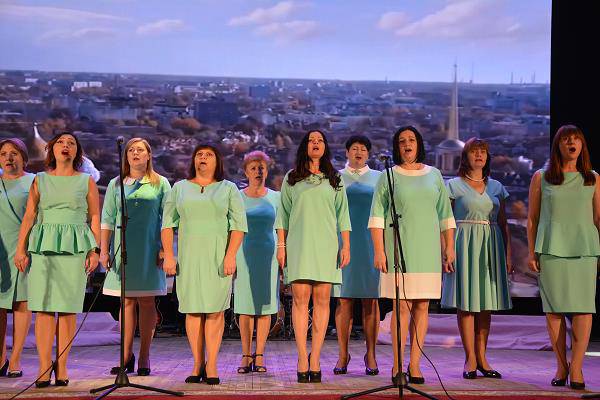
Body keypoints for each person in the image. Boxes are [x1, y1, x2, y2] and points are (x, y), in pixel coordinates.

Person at [369, 126, 455, 385]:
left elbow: (445, 215)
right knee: (402, 307)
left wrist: (449, 247)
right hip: (398, 248)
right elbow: (376, 216)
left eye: (412, 140)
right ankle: (397, 366)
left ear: (419, 144)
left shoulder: (435, 175)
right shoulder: (388, 176)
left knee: (422, 306)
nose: (407, 144)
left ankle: (415, 364)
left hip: (427, 250)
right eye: (402, 141)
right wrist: (379, 250)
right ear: (397, 147)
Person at [14, 132, 100, 387]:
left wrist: (94, 251)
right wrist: (20, 249)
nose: (65, 146)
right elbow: (29, 216)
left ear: (77, 152)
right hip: (43, 246)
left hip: (75, 247)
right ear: (51, 149)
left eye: (71, 143)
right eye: (61, 142)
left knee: (67, 309)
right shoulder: (40, 179)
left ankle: (61, 365)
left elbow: (94, 217)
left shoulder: (86, 181)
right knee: (42, 308)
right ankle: (44, 366)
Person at [162, 144, 247, 385]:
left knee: (214, 310)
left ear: (217, 161)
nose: (203, 158)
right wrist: (169, 255)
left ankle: (212, 364)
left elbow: (238, 226)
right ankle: (197, 363)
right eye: (199, 154)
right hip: (189, 257)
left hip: (217, 258)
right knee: (192, 310)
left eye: (209, 155)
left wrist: (230, 256)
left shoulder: (228, 188)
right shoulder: (179, 188)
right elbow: (167, 224)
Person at [527, 125, 599, 390]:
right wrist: (532, 252)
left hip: (584, 251)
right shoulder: (542, 177)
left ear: (582, 146)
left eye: (576, 139)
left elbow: (598, 218)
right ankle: (561, 366)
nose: (572, 143)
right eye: (566, 140)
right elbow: (532, 218)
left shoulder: (593, 178)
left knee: (583, 308)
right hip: (551, 249)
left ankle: (577, 367)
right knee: (554, 309)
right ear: (558, 146)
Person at [276, 130, 351, 383]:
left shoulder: (335, 179)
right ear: (305, 147)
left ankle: (316, 357)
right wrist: (281, 246)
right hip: (299, 245)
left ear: (325, 147)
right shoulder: (292, 178)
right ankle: (301, 357)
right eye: (311, 140)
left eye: (320, 140)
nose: (316, 143)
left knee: (322, 301)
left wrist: (346, 246)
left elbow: (343, 216)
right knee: (300, 300)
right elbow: (282, 216)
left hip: (327, 246)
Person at [440, 138, 512, 380]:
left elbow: (503, 223)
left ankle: (483, 357)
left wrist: (508, 254)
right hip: (464, 244)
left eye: (483, 151)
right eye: (474, 151)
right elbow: (445, 221)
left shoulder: (497, 187)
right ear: (466, 156)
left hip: (491, 245)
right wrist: (446, 250)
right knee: (466, 302)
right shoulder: (453, 186)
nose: (479, 155)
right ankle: (470, 357)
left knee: (486, 304)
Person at [100, 138, 171, 376]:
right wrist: (104, 250)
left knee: (147, 301)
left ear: (149, 155)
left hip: (149, 248)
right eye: (131, 150)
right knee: (127, 301)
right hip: (123, 248)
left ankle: (144, 356)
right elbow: (107, 219)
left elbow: (168, 219)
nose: (135, 153)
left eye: (140, 149)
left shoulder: (160, 183)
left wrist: (166, 249)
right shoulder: (116, 183)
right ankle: (125, 355)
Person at [331, 135, 381, 376]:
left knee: (371, 300)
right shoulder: (335, 177)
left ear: (368, 154)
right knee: (344, 299)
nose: (358, 152)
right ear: (347, 152)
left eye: (363, 149)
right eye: (354, 148)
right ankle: (343, 354)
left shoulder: (380, 178)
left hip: (371, 243)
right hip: (344, 243)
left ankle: (371, 354)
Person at [234, 151, 280, 374]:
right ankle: (245, 354)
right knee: (245, 306)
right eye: (253, 168)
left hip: (269, 255)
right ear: (246, 172)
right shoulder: (237, 197)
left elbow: (281, 228)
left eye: (262, 167)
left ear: (267, 171)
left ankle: (259, 354)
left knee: (265, 306)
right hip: (243, 254)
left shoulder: (276, 197)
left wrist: (283, 253)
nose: (258, 171)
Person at [0, 139, 34, 378]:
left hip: (24, 249)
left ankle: (15, 359)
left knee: (22, 303)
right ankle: (0, 357)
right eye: (3, 154)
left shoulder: (34, 181)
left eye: (13, 153)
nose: (8, 158)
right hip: (0, 249)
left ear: (23, 157)